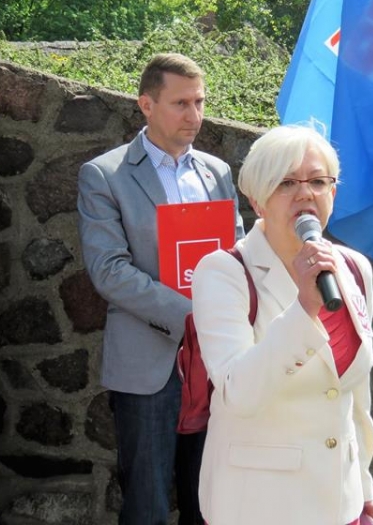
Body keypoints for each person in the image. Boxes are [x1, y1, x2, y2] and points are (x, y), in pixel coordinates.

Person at [77, 53, 245, 525]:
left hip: (217, 360)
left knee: (213, 504)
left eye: (200, 102)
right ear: (146, 105)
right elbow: (109, 270)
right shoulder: (104, 175)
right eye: (181, 104)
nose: (194, 115)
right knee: (147, 505)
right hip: (148, 362)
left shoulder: (217, 172)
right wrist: (192, 314)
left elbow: (237, 255)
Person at [190, 123, 373, 525]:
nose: (305, 194)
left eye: (318, 181)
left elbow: (355, 395)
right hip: (260, 506)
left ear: (333, 194)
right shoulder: (223, 272)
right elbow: (238, 392)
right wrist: (303, 310)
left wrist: (364, 488)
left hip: (340, 502)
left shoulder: (353, 269)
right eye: (287, 183)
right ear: (258, 200)